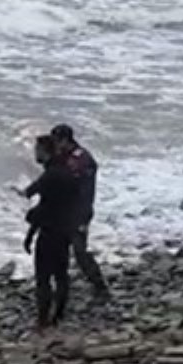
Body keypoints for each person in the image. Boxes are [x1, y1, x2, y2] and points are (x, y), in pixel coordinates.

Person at [22, 134, 81, 328]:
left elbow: (42, 207)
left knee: (43, 278)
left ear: (45, 152)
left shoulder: (49, 175)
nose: (35, 155)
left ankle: (43, 319)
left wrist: (30, 233)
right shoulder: (68, 172)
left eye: (37, 151)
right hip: (65, 231)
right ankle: (59, 315)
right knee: (61, 275)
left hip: (49, 232)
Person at [49, 124, 110, 303]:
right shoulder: (63, 157)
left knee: (80, 252)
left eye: (57, 141)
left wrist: (82, 217)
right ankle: (61, 286)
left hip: (79, 212)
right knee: (58, 250)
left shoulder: (82, 159)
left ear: (65, 140)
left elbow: (85, 192)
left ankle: (100, 286)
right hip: (64, 212)